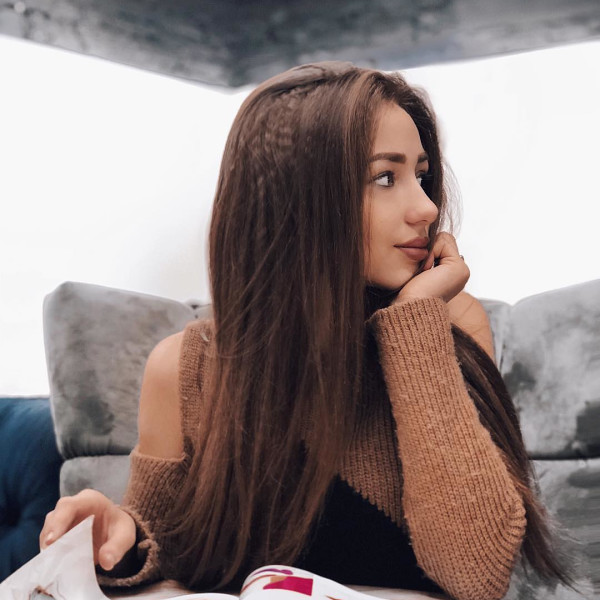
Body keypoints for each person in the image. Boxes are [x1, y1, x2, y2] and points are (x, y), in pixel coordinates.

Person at [40, 61, 579, 600]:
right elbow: (166, 547)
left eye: (421, 175)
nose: (427, 207)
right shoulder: (185, 367)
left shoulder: (450, 325)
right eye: (385, 177)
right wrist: (118, 537)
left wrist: (416, 325)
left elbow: (478, 574)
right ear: (296, 199)